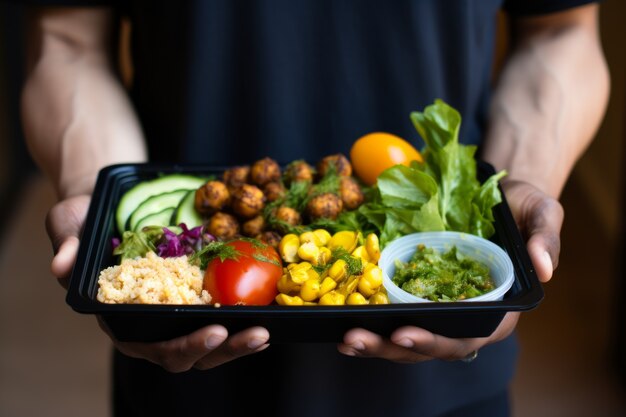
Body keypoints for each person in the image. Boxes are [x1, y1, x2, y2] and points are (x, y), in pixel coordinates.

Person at [20, 1, 609, 416]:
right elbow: (69, 39)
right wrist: (93, 188)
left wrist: (526, 179)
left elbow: (561, 33)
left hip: (444, 381)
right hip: (183, 362)